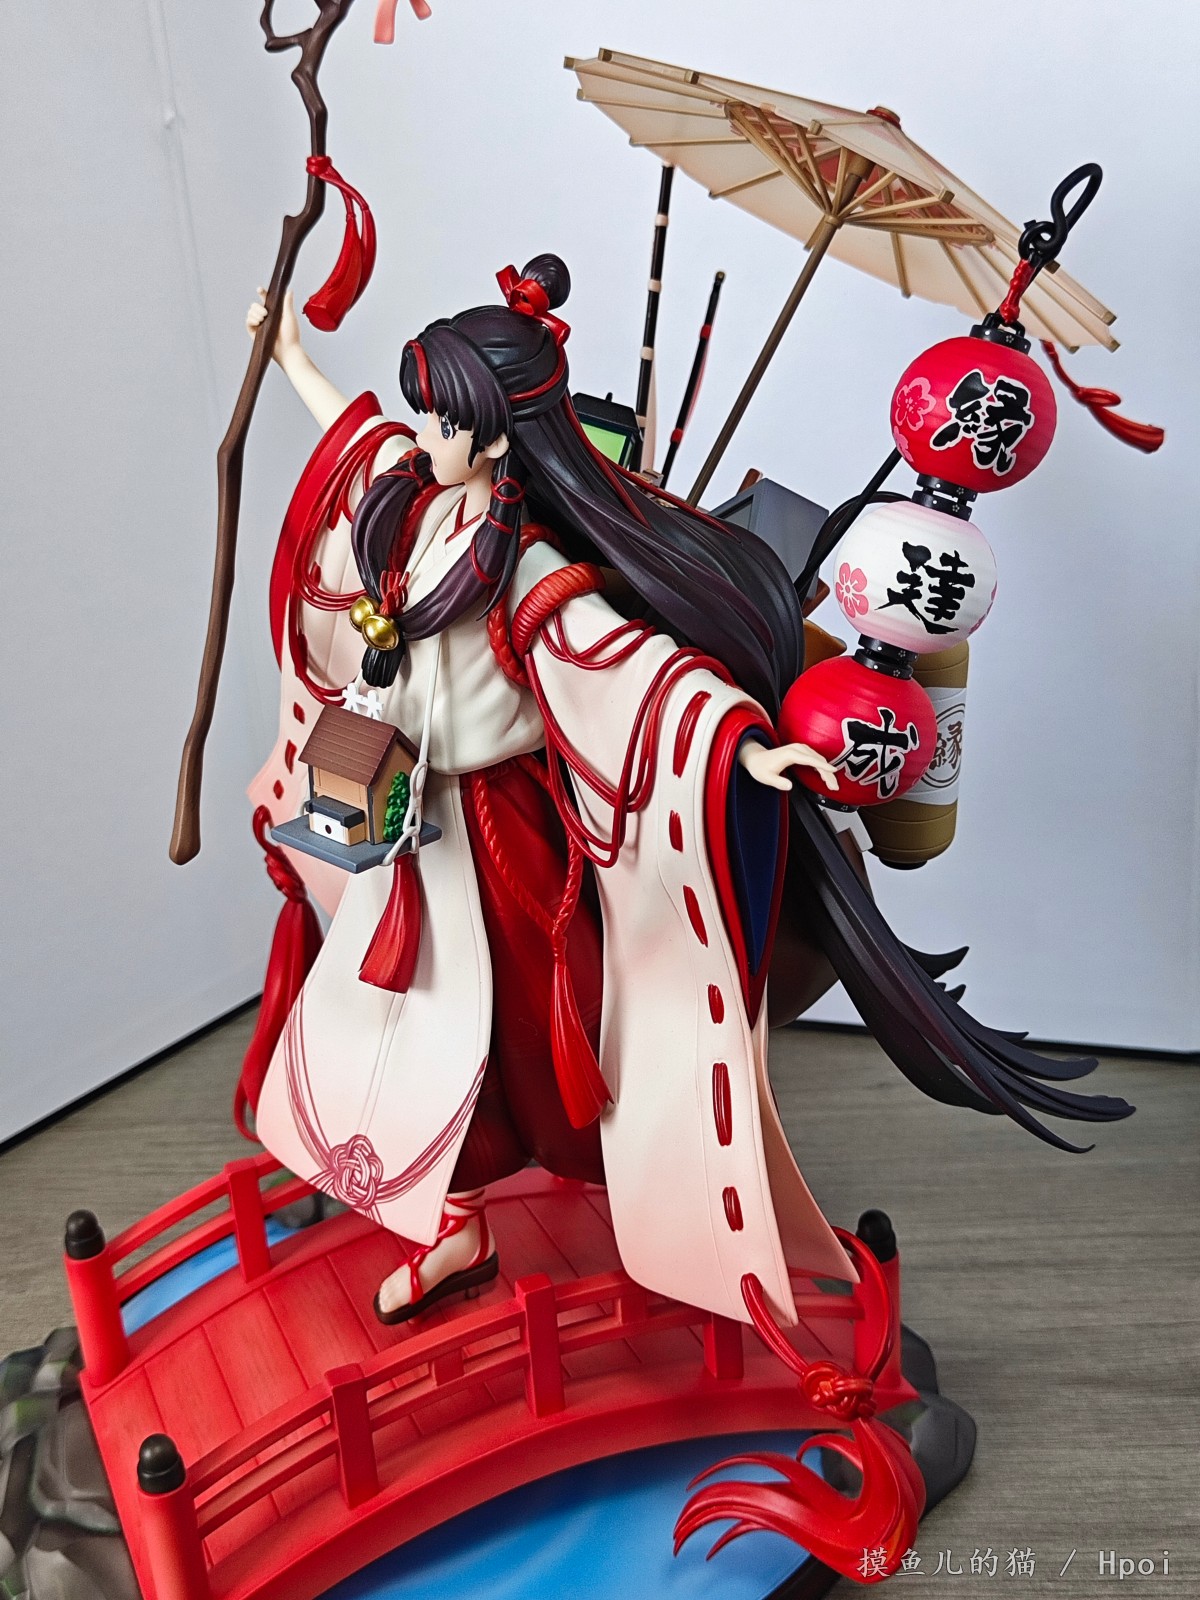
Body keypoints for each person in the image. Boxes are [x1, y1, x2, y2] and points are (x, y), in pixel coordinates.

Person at [245, 255, 1131, 1328]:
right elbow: (360, 436)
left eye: (442, 418)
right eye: (424, 414)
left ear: (495, 437)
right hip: (406, 815)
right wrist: (291, 352)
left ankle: (642, 1199)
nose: (423, 435)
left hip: (496, 829)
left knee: (514, 1031)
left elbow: (635, 669)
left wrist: (746, 750)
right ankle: (456, 1223)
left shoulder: (525, 564)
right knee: (397, 1011)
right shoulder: (415, 503)